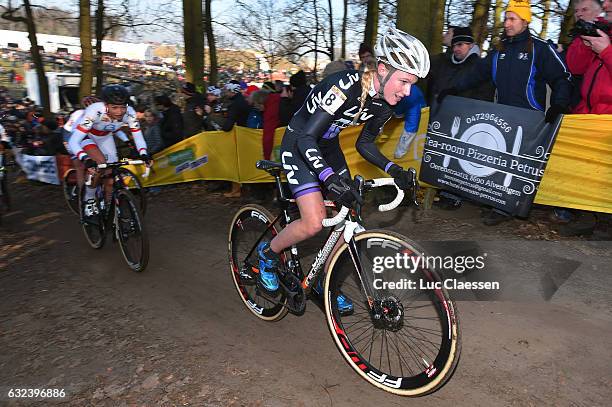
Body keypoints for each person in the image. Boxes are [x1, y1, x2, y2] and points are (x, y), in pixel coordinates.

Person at [256, 27, 429, 313]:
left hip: (328, 146)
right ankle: (268, 253)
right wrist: (327, 177)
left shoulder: (385, 103)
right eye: (404, 81)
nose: (407, 91)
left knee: (350, 214)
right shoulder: (344, 86)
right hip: (299, 143)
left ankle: (326, 282)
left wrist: (393, 169)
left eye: (412, 84)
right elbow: (306, 138)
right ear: (383, 69)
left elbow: (366, 145)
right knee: (313, 221)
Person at [438, 0, 573, 225]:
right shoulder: (499, 49)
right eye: (506, 18)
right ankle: (498, 203)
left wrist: (559, 104)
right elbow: (476, 74)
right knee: (499, 161)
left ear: (525, 20)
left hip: (529, 118)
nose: (507, 23)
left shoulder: (539, 48)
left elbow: (563, 78)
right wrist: (453, 88)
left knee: (518, 166)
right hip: (502, 117)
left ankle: (504, 208)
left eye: (512, 19)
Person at [68, 85, 151, 222]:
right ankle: (89, 200)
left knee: (111, 175)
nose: (119, 112)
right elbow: (73, 141)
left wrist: (143, 153)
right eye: (115, 107)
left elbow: (138, 137)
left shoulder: (130, 113)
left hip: (105, 137)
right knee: (100, 164)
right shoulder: (94, 111)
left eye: (122, 107)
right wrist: (85, 158)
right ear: (106, 105)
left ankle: (108, 207)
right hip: (86, 136)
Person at [427, 27, 494, 105]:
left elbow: (484, 97)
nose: (456, 49)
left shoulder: (480, 68)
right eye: (454, 46)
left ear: (471, 45)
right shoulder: (445, 65)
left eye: (460, 44)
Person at [393, 85, 426, 159]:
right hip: (395, 107)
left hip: (414, 109)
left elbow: (411, 129)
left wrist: (399, 153)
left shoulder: (412, 99)